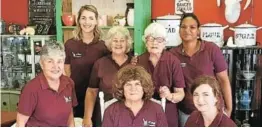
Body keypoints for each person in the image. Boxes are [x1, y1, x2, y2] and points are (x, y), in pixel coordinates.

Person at [169, 13, 232, 126]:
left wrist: (229, 108)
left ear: (198, 31)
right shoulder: (173, 54)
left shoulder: (211, 49)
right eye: (183, 27)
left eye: (192, 27)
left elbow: (223, 80)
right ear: (179, 30)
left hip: (212, 111)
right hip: (186, 113)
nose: (187, 30)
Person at [16, 42, 77, 127]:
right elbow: (20, 123)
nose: (55, 67)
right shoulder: (31, 89)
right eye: (50, 61)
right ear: (41, 63)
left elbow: (70, 114)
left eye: (59, 61)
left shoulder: (69, 83)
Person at [64, 5, 109, 120]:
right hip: (76, 97)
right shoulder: (70, 45)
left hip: (97, 97)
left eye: (91, 18)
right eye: (83, 18)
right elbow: (67, 72)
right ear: (78, 20)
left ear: (96, 21)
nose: (87, 22)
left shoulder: (103, 46)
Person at [136, 22, 185, 127]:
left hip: (167, 112)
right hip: (144, 111)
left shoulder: (173, 61)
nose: (155, 43)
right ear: (145, 42)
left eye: (159, 39)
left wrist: (169, 95)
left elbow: (180, 94)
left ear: (164, 43)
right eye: (150, 39)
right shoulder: (139, 61)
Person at [83, 26, 133, 127]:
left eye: (122, 40)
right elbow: (91, 91)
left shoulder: (135, 63)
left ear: (127, 43)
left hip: (130, 116)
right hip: (104, 115)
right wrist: (87, 117)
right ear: (110, 43)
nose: (118, 44)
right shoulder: (100, 64)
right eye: (115, 40)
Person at [102, 65, 168, 127]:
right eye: (128, 84)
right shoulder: (111, 111)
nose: (133, 88)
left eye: (137, 84)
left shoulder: (157, 110)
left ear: (144, 87)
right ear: (121, 88)